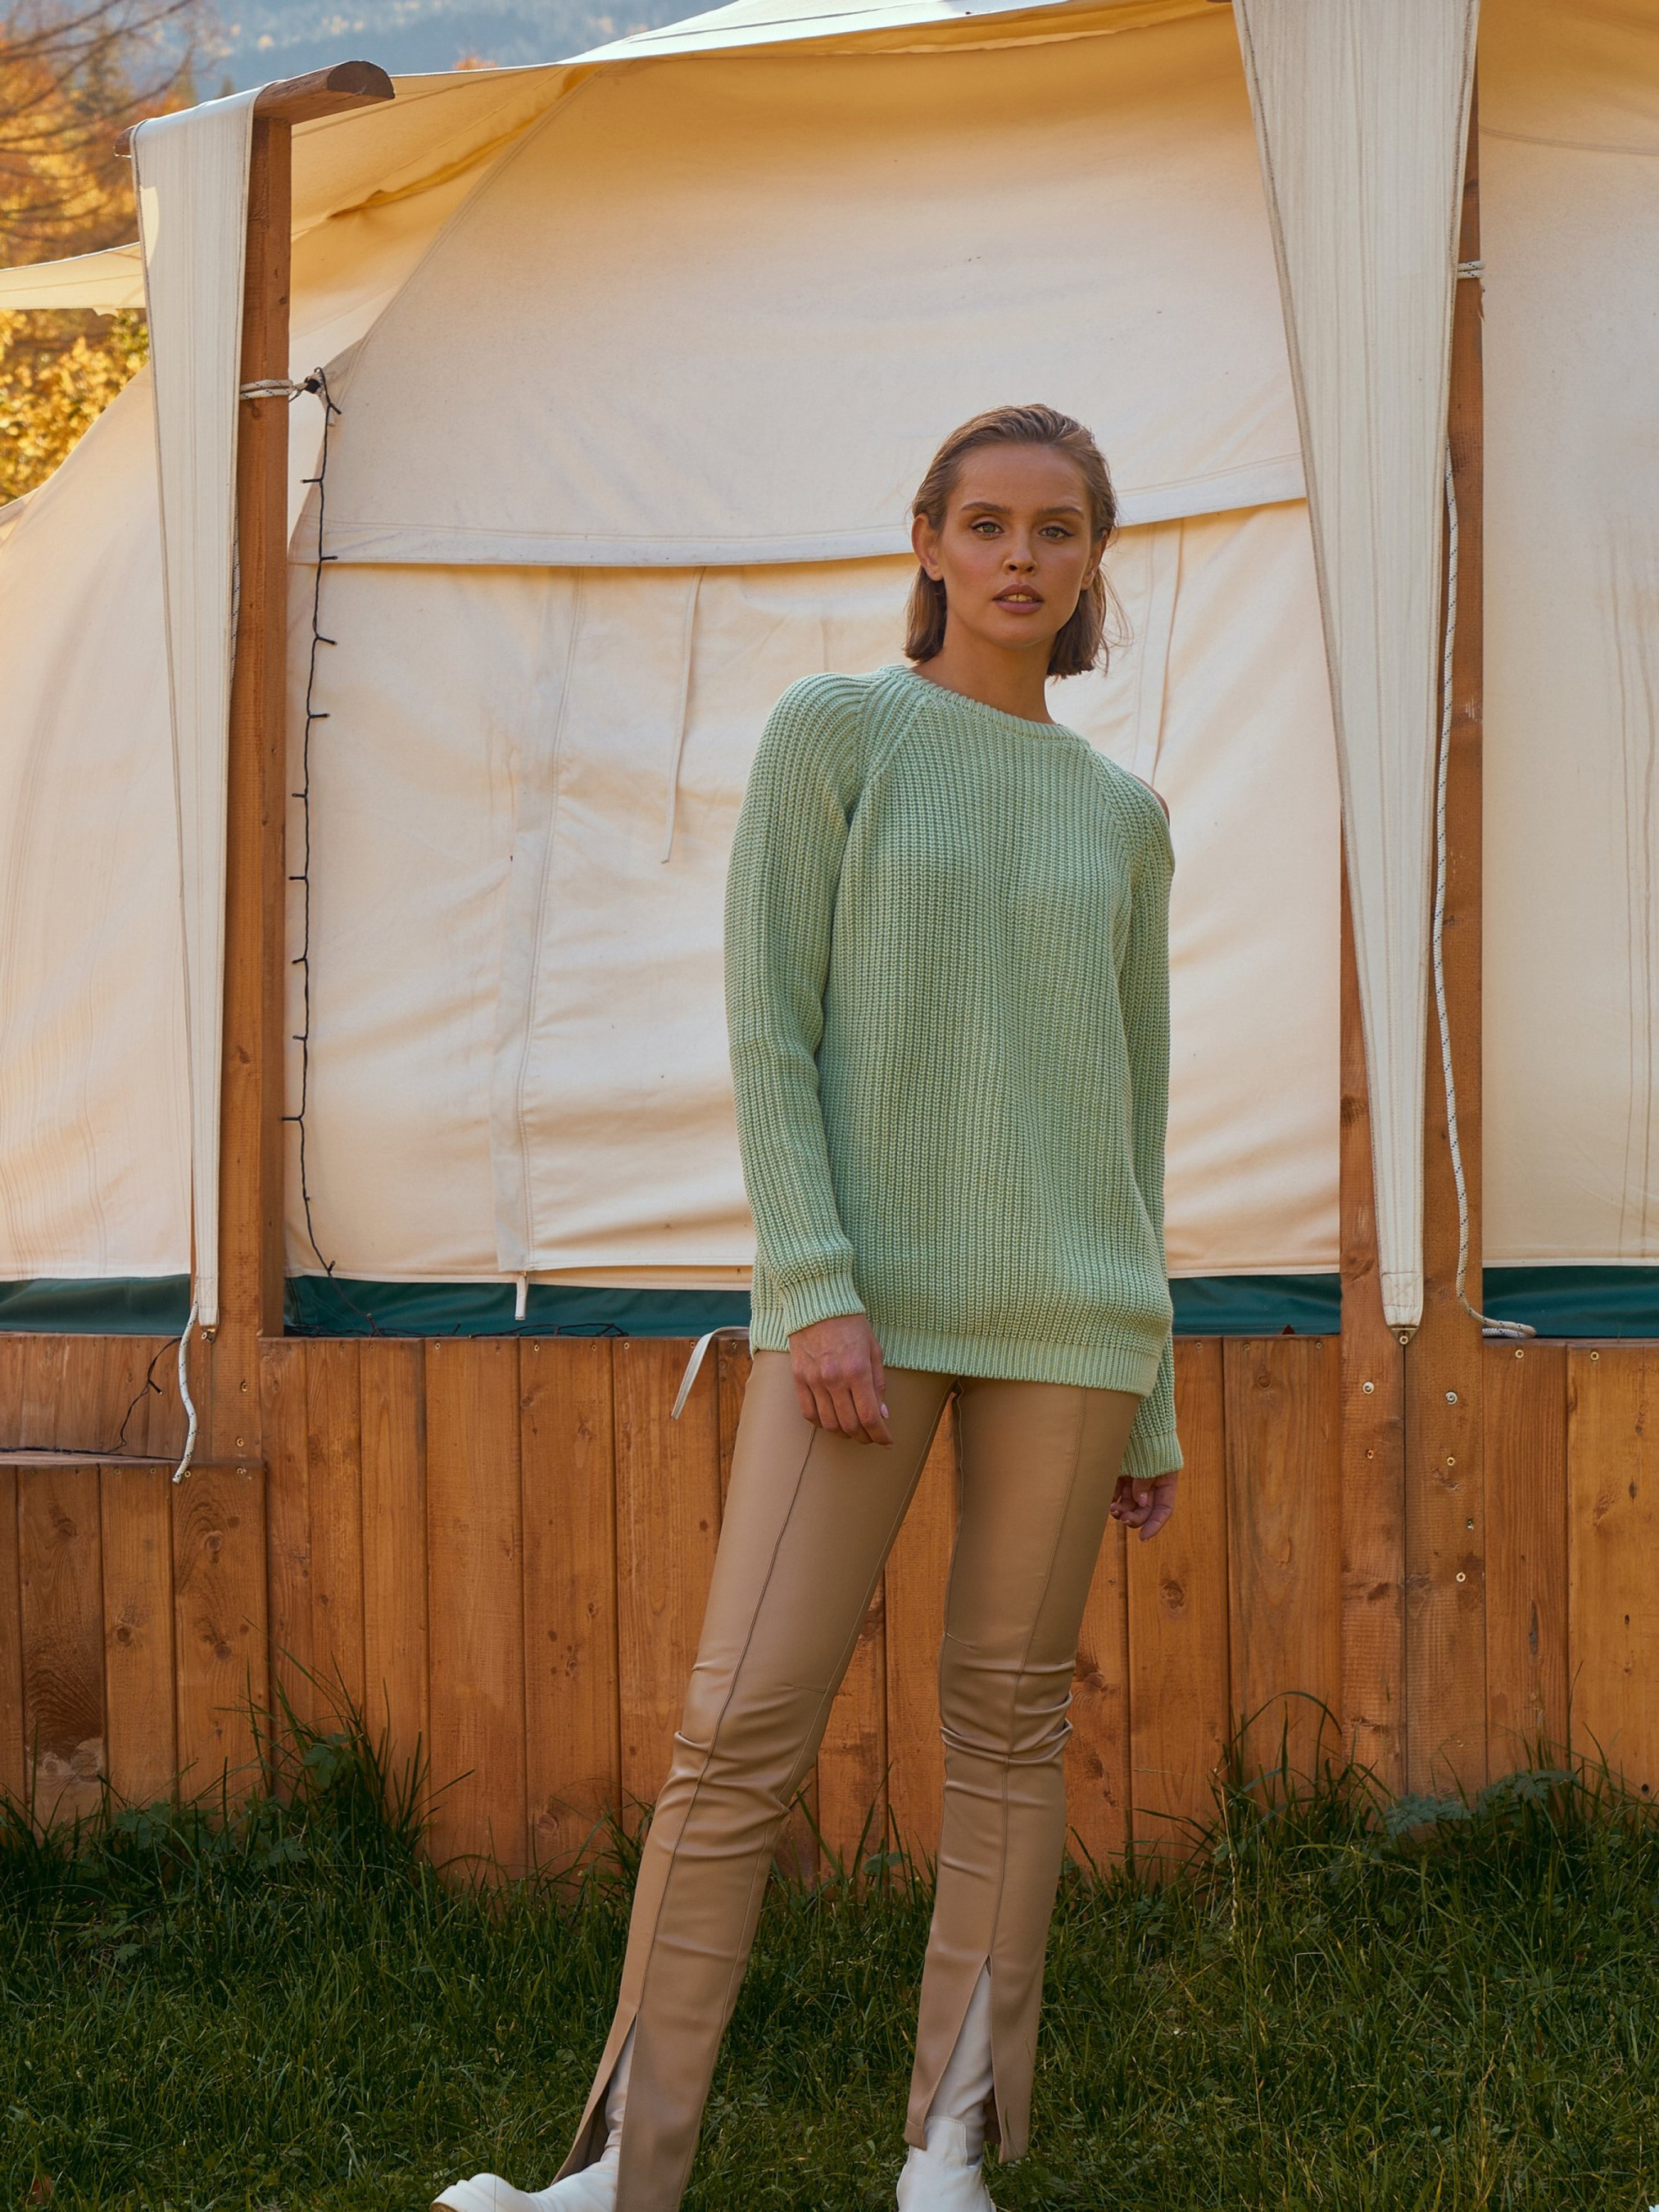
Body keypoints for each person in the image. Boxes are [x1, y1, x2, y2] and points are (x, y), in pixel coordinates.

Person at [434, 403, 1183, 2212]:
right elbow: (769, 1028)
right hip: (857, 1315)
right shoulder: (833, 731)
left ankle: (947, 2158)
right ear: (926, 540)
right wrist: (816, 1289)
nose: (1021, 556)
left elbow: (1133, 1112)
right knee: (738, 1735)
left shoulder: (1124, 816)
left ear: (1092, 557)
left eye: (1058, 528)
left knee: (1007, 1735)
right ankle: (620, 2177)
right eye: (987, 522)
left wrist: (1149, 1395)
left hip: (1074, 1324)